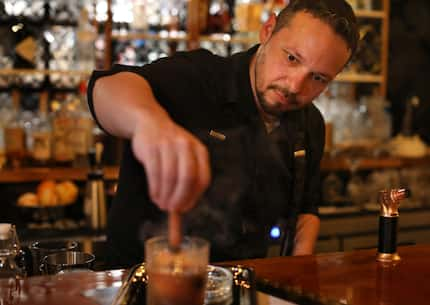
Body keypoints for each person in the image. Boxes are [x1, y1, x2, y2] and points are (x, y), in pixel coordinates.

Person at [88, 0, 359, 267]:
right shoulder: (202, 77)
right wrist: (150, 124)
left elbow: (305, 212)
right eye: (291, 58)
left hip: (242, 288)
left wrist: (300, 270)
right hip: (141, 283)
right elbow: (105, 88)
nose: (295, 85)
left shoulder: (310, 125)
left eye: (318, 78)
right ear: (268, 30)